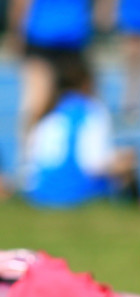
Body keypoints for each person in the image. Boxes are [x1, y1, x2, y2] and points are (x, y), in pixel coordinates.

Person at [22, 53, 140, 207]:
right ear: (87, 83)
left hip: (39, 192)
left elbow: (30, 165)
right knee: (131, 158)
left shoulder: (48, 111)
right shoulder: (92, 110)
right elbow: (95, 163)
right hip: (77, 193)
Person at [5, 0, 94, 173]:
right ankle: (26, 165)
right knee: (37, 105)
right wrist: (16, 32)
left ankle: (82, 165)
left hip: (74, 43)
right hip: (42, 41)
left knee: (85, 105)